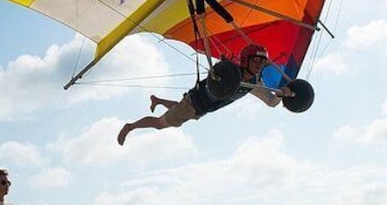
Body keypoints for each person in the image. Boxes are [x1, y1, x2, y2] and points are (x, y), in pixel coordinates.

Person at [117, 44, 294, 145]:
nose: (259, 64)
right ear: (246, 59)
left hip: (200, 109)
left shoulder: (253, 83)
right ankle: (130, 127)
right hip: (194, 104)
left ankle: (157, 100)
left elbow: (271, 101)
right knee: (159, 123)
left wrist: (282, 95)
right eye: (256, 60)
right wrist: (223, 67)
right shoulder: (231, 74)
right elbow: (219, 70)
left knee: (179, 109)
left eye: (263, 61)